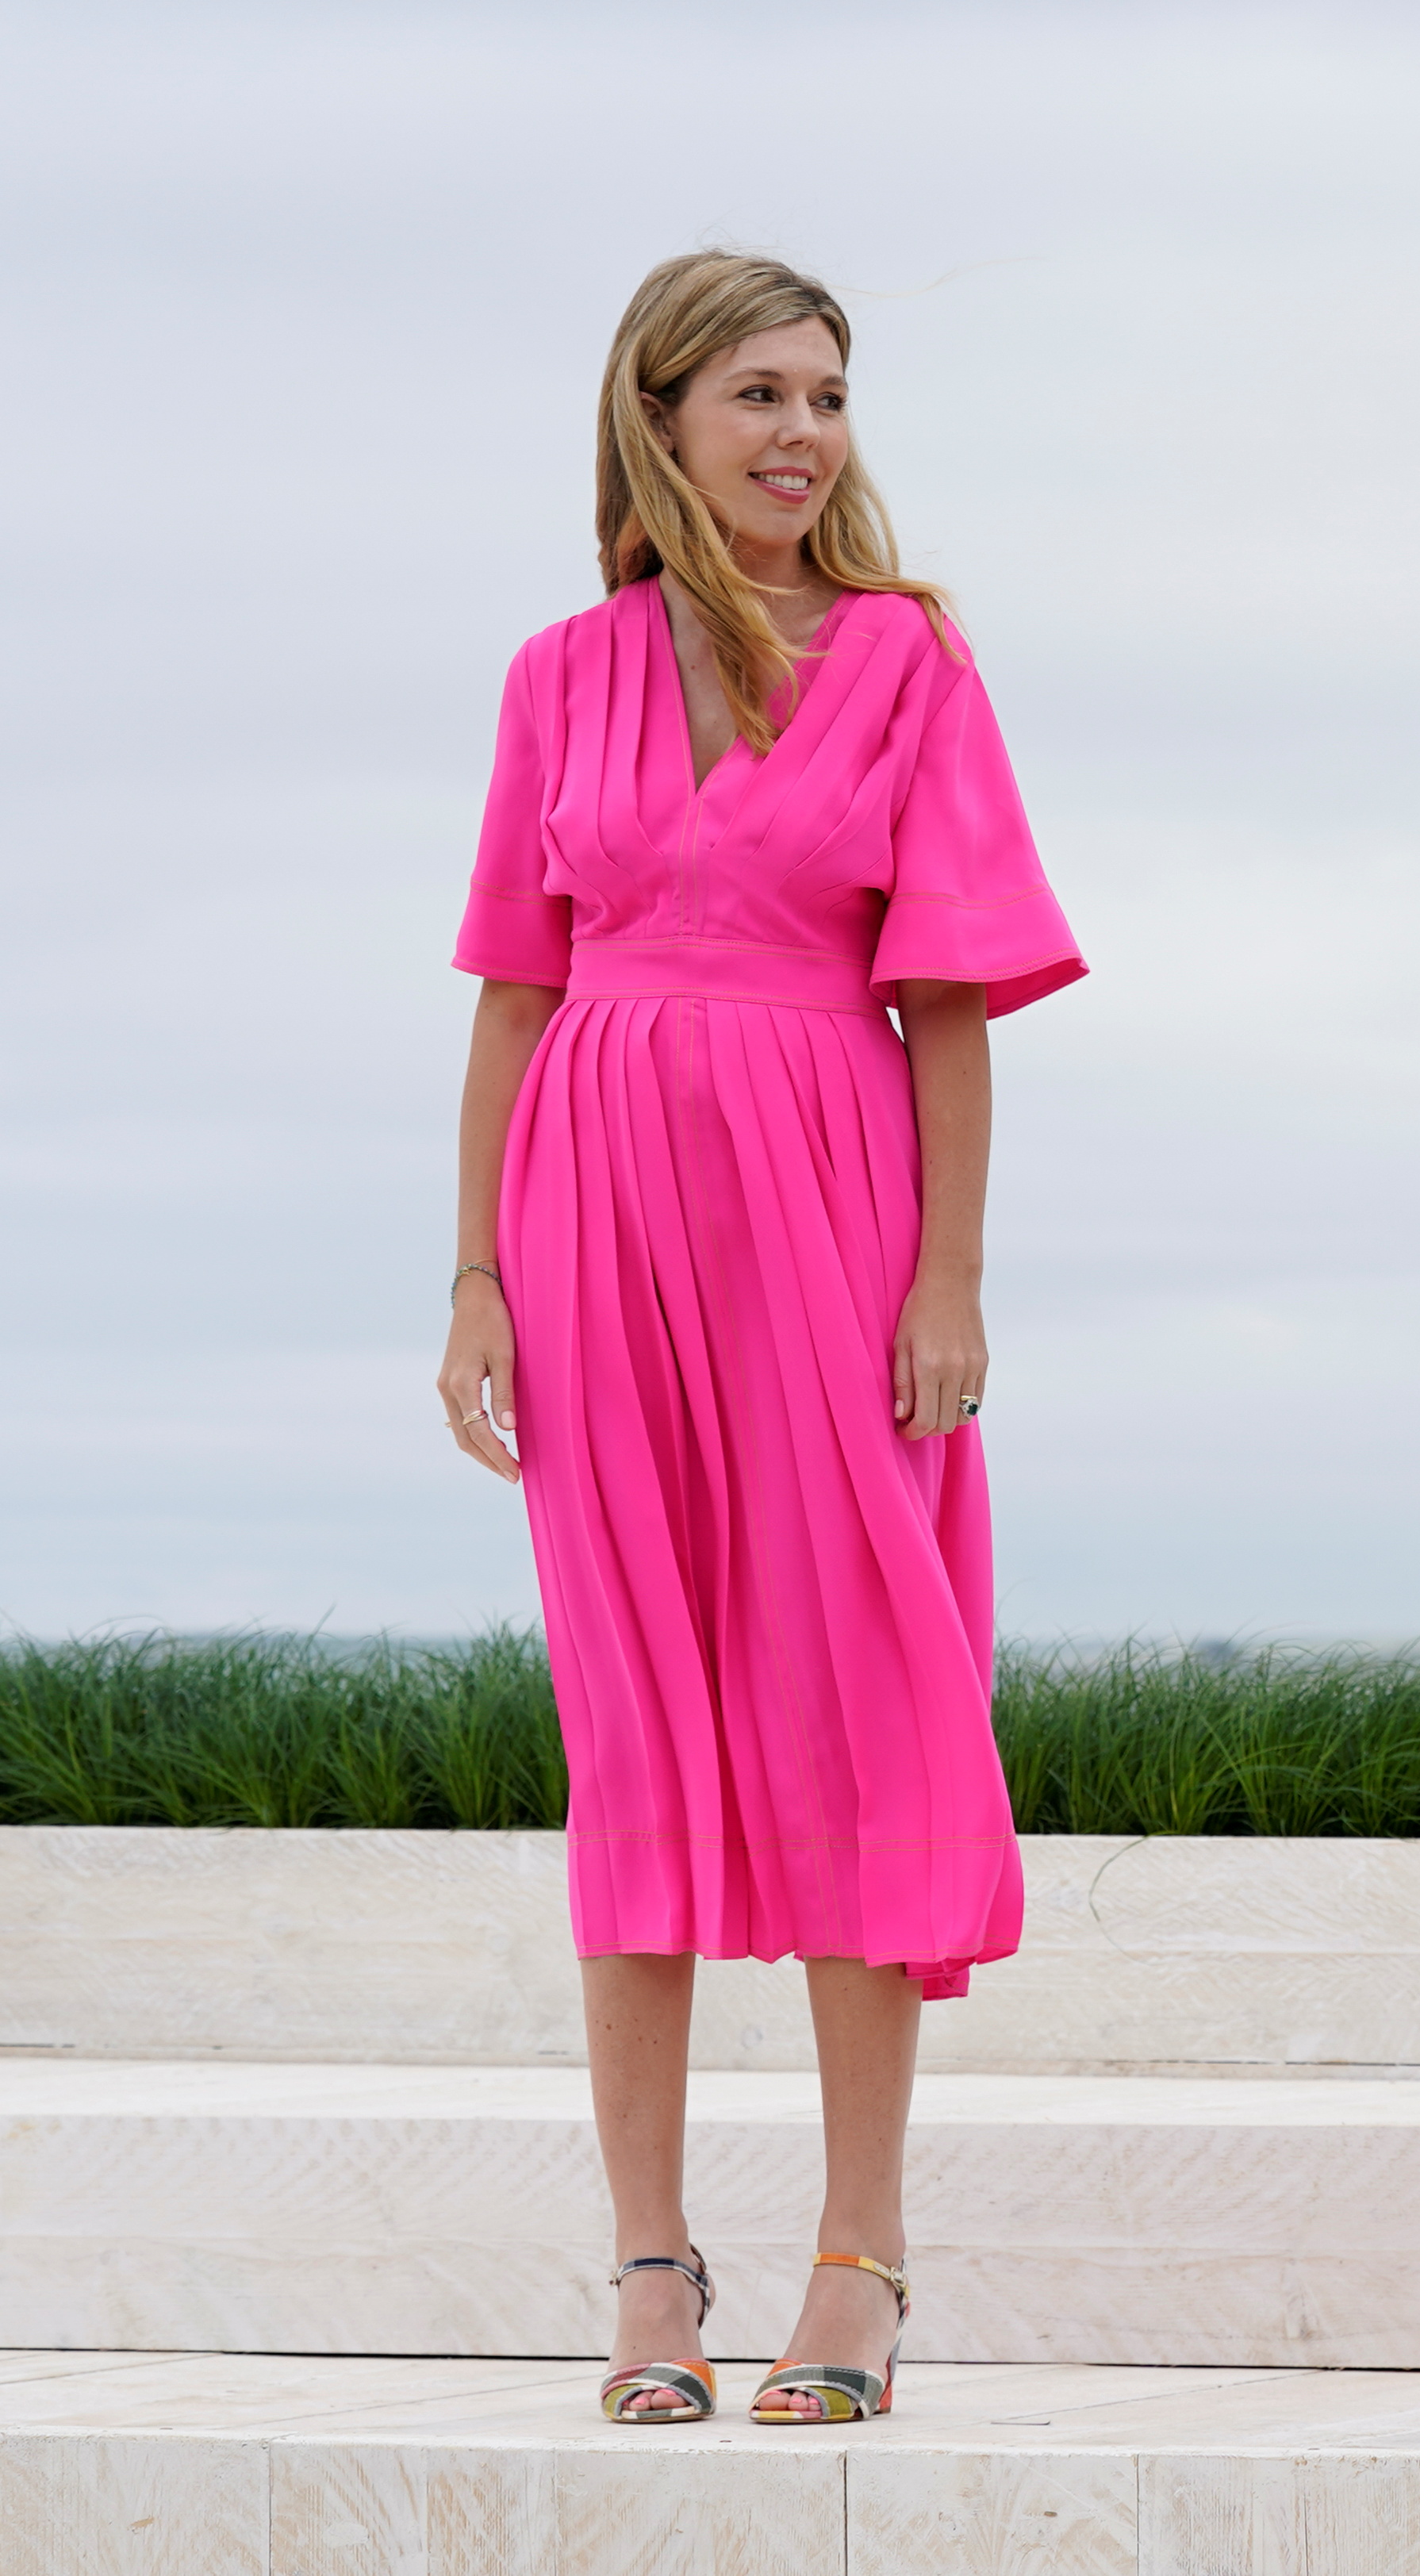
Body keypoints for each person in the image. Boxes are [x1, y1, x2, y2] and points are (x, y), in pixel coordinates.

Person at [435, 251, 1084, 2428]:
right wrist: (473, 1277)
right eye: (759, 396)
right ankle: (648, 2270)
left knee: (859, 1706)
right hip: (595, 1209)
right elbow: (514, 991)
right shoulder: (560, 676)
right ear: (662, 421)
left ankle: (858, 2262)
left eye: (826, 396)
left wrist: (949, 1278)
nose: (804, 434)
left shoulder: (905, 660)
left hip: (834, 1204)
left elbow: (952, 998)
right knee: (632, 1720)